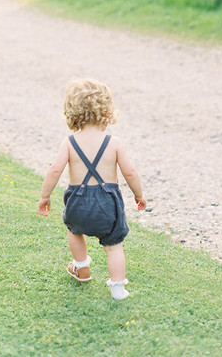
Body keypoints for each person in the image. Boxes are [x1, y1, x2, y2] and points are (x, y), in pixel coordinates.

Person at [38, 78, 147, 300]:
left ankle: (81, 266)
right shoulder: (114, 143)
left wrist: (44, 196)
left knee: (74, 230)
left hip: (78, 201)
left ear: (73, 113)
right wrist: (139, 194)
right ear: (106, 113)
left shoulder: (69, 143)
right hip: (107, 202)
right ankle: (118, 289)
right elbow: (131, 173)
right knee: (114, 246)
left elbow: (54, 171)